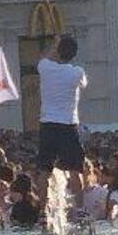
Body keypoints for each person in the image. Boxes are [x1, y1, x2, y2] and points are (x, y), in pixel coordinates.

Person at [36, 35, 88, 186]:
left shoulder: (45, 67)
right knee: (74, 170)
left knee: (44, 171)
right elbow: (83, 84)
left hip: (48, 124)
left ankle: (42, 207)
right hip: (68, 124)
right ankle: (79, 207)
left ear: (58, 51)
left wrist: (54, 44)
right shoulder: (77, 72)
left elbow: (44, 57)